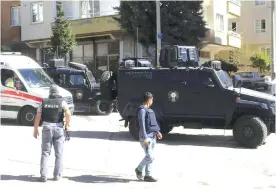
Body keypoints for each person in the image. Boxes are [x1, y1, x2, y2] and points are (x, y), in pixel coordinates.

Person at [33, 84, 71, 182]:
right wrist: (67, 125)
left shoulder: (43, 102)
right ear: (58, 92)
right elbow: (68, 113)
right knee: (59, 153)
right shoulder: (62, 101)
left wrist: (35, 129)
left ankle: (43, 176)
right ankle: (57, 175)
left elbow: (38, 116)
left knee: (45, 152)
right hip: (58, 128)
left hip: (46, 128)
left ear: (50, 92)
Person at [135, 92, 162, 182]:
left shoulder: (149, 110)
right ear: (149, 100)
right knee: (150, 156)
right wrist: (145, 137)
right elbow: (142, 125)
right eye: (152, 99)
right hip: (146, 137)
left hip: (153, 136)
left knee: (151, 156)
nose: (152, 101)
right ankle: (139, 169)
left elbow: (152, 123)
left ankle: (148, 175)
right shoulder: (142, 111)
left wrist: (157, 132)